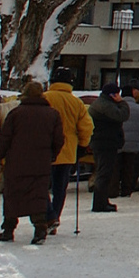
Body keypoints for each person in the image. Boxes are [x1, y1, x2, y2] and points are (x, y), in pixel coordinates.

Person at [0, 82, 64, 244]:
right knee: (38, 195)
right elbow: (59, 140)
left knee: (12, 194)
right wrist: (51, 155)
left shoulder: (15, 113)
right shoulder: (53, 114)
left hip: (16, 162)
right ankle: (40, 230)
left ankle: (8, 229)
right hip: (41, 163)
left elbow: (4, 138)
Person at [43, 68, 92, 235]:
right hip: (68, 151)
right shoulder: (76, 103)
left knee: (41, 186)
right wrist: (82, 145)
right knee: (60, 189)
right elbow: (87, 127)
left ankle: (48, 216)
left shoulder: (45, 98)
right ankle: (55, 217)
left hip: (46, 150)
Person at [87, 82, 129, 213]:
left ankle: (102, 201)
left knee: (102, 172)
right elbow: (123, 115)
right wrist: (122, 102)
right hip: (106, 143)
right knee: (104, 174)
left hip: (100, 142)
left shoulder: (100, 103)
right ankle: (100, 204)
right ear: (113, 95)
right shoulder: (105, 105)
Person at [117, 84, 139, 197]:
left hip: (118, 143)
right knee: (130, 168)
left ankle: (114, 189)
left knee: (117, 167)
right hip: (134, 144)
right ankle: (127, 190)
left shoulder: (116, 108)